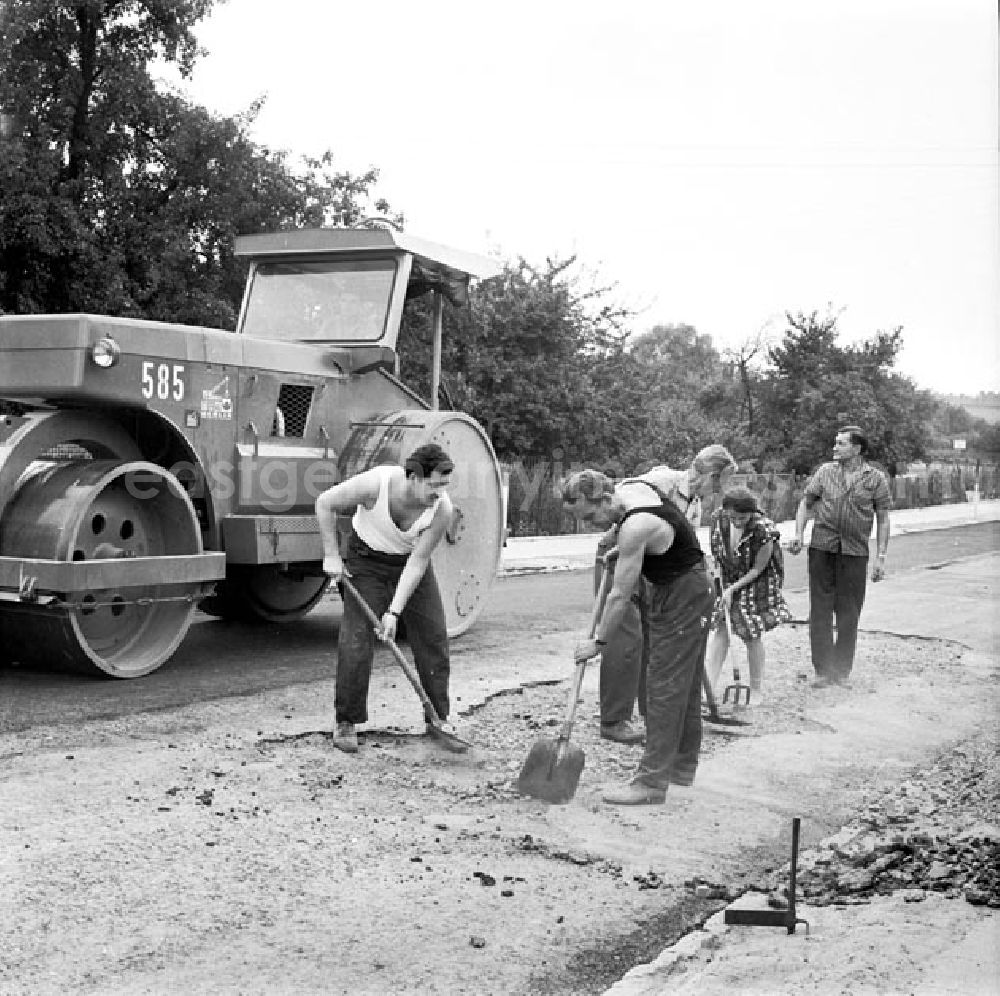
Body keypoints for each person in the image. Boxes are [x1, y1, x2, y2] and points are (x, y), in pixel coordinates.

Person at [562, 468, 715, 805]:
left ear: (605, 498)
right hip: (692, 584)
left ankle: (651, 783)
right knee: (684, 684)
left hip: (683, 594)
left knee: (663, 686)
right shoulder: (633, 491)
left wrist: (599, 642)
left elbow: (619, 594)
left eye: (589, 517)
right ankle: (681, 767)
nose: (588, 526)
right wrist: (623, 544)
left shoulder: (636, 526)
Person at [583, 445, 737, 745]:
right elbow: (620, 503)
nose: (719, 490)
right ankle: (614, 719)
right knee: (624, 635)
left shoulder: (695, 503)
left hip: (654, 565)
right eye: (720, 482)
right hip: (621, 554)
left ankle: (650, 710)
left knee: (654, 633)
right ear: (709, 474)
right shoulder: (661, 480)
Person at [316, 443, 457, 753]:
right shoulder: (375, 484)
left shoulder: (442, 509)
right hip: (365, 562)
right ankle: (346, 721)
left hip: (408, 564)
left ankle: (438, 718)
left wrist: (393, 612)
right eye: (434, 485)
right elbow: (325, 503)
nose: (440, 492)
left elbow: (418, 562)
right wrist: (331, 556)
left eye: (444, 485)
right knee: (356, 639)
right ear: (413, 478)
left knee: (433, 636)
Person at [788, 425, 891, 688]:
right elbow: (805, 503)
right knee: (820, 611)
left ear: (857, 449)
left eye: (841, 443)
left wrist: (881, 556)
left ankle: (841, 671)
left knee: (849, 613)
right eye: (835, 443)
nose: (835, 447)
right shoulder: (825, 472)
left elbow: (883, 519)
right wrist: (799, 533)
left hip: (855, 553)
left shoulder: (876, 479)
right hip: (822, 549)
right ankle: (823, 671)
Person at [705, 485, 790, 700]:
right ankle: (709, 686)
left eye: (743, 517)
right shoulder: (718, 519)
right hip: (728, 576)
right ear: (725, 511)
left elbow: (757, 569)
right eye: (734, 516)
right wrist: (720, 580)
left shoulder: (764, 530)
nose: (737, 521)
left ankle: (756, 689)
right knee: (722, 628)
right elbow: (716, 551)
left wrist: (733, 589)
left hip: (756, 581)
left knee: (751, 632)